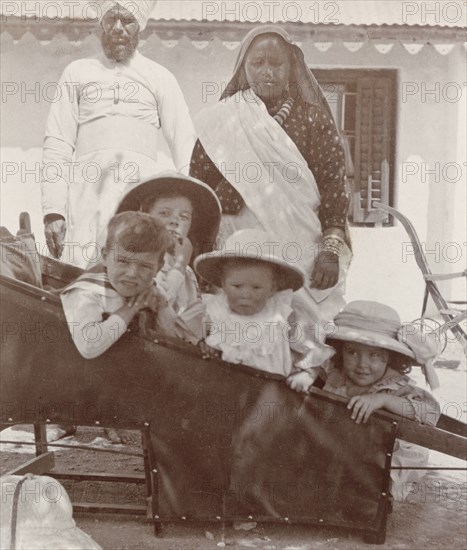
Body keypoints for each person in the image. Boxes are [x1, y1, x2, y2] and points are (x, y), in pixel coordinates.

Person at [190, 25, 351, 377]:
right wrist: (226, 192)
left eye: (276, 63)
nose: (267, 71)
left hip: (301, 245)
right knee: (237, 332)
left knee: (301, 335)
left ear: (291, 66)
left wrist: (331, 249)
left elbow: (334, 187)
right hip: (238, 245)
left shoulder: (313, 119)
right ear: (242, 68)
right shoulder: (223, 120)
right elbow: (198, 191)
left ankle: (300, 403)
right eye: (257, 63)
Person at [41, 1, 196, 268]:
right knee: (85, 269)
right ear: (101, 24)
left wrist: (189, 206)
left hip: (138, 193)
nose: (118, 28)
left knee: (134, 265)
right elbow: (58, 143)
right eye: (111, 20)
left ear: (140, 27)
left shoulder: (160, 77)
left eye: (127, 21)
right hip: (86, 193)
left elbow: (184, 144)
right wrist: (53, 210)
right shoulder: (77, 72)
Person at [61, 211, 175, 443]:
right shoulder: (87, 291)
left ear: (160, 266)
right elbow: (88, 346)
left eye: (145, 266)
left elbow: (174, 339)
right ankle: (109, 417)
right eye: (122, 261)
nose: (132, 273)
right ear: (105, 256)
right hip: (71, 379)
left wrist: (162, 306)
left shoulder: (148, 287)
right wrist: (128, 310)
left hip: (122, 378)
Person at [318, 300, 441, 501]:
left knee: (413, 450)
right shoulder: (335, 375)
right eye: (352, 352)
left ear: (390, 357)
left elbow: (431, 413)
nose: (362, 364)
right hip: (335, 450)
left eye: (375, 355)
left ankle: (378, 496)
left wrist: (383, 399)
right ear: (341, 351)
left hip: (373, 462)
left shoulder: (393, 385)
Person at [194, 229, 317, 391]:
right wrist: (204, 345)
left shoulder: (282, 316)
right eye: (237, 286)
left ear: (273, 288)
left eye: (256, 287)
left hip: (268, 396)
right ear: (223, 283)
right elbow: (190, 338)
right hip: (221, 389)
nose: (246, 294)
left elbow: (313, 354)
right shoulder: (214, 311)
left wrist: (307, 374)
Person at [115, 172, 221, 329]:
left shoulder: (188, 272)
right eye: (164, 213)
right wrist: (179, 266)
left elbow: (192, 316)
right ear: (145, 217)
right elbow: (154, 300)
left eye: (184, 217)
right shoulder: (137, 256)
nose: (175, 221)